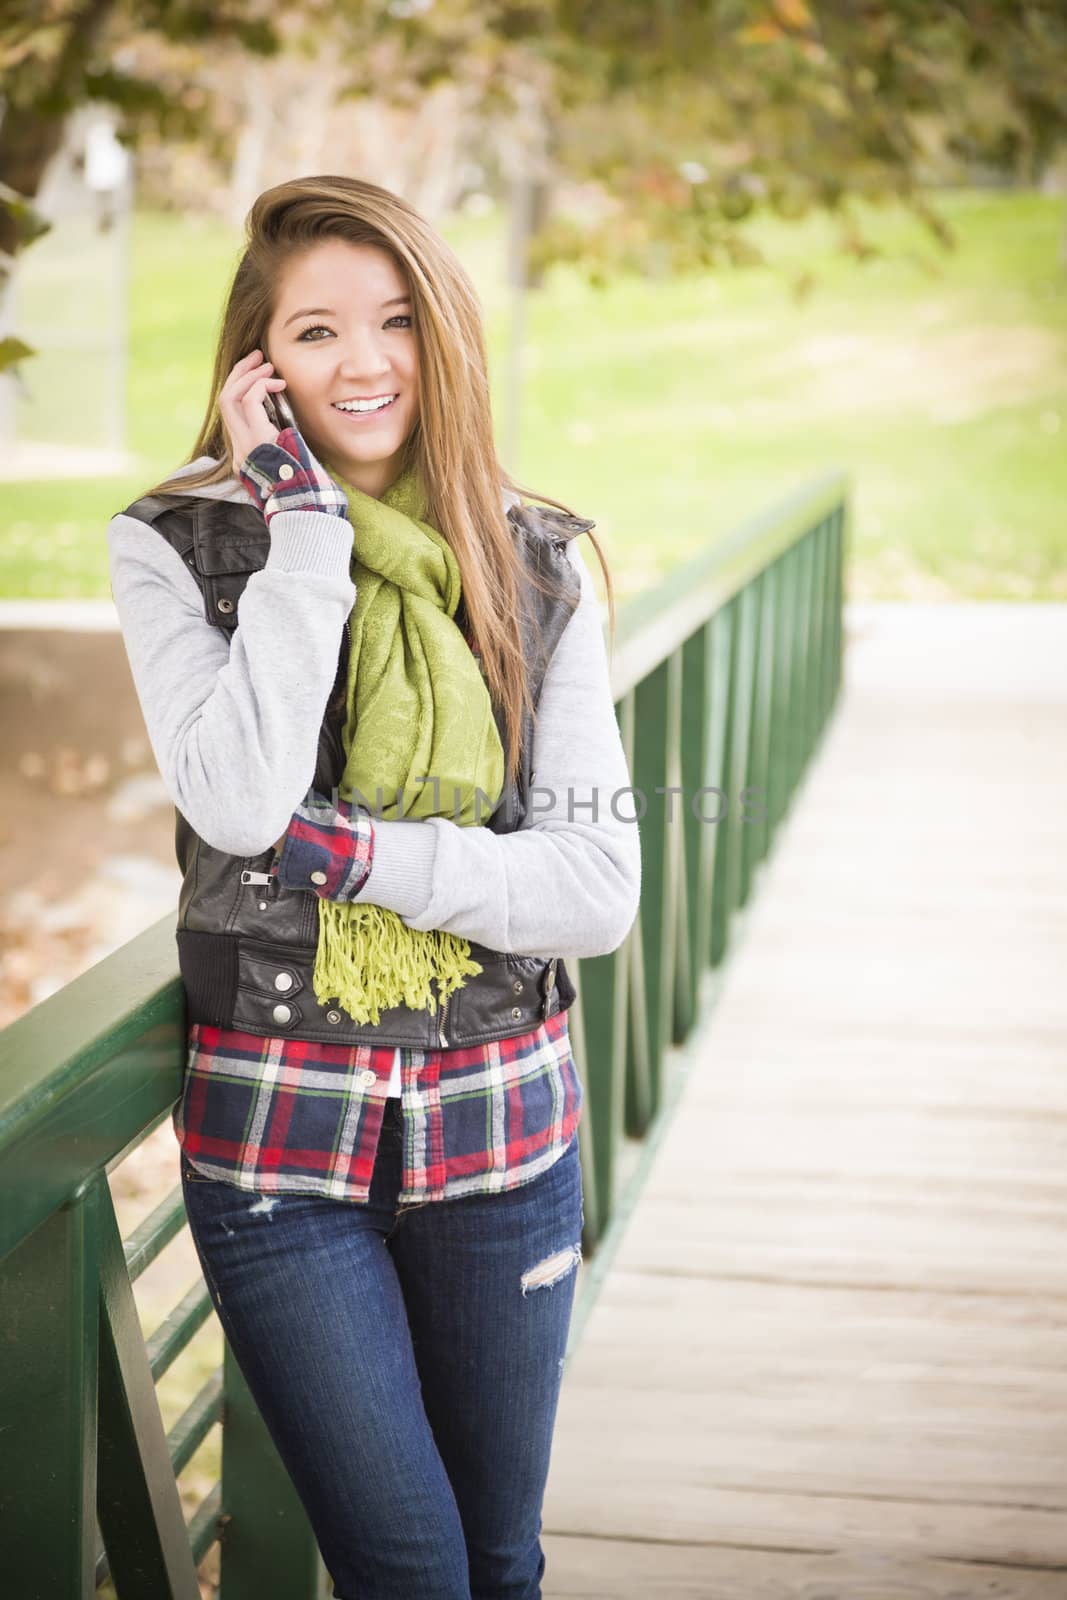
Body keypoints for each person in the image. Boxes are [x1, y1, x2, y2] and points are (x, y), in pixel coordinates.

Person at [107, 174, 641, 1600]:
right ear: (259, 362)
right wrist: (306, 530)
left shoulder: (537, 560)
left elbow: (592, 887)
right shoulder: (178, 546)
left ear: (444, 337)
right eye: (318, 330)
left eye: (396, 321)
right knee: (407, 1572)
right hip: (282, 1156)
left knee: (499, 1562)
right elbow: (233, 798)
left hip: (505, 1135)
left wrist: (363, 860)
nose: (362, 364)